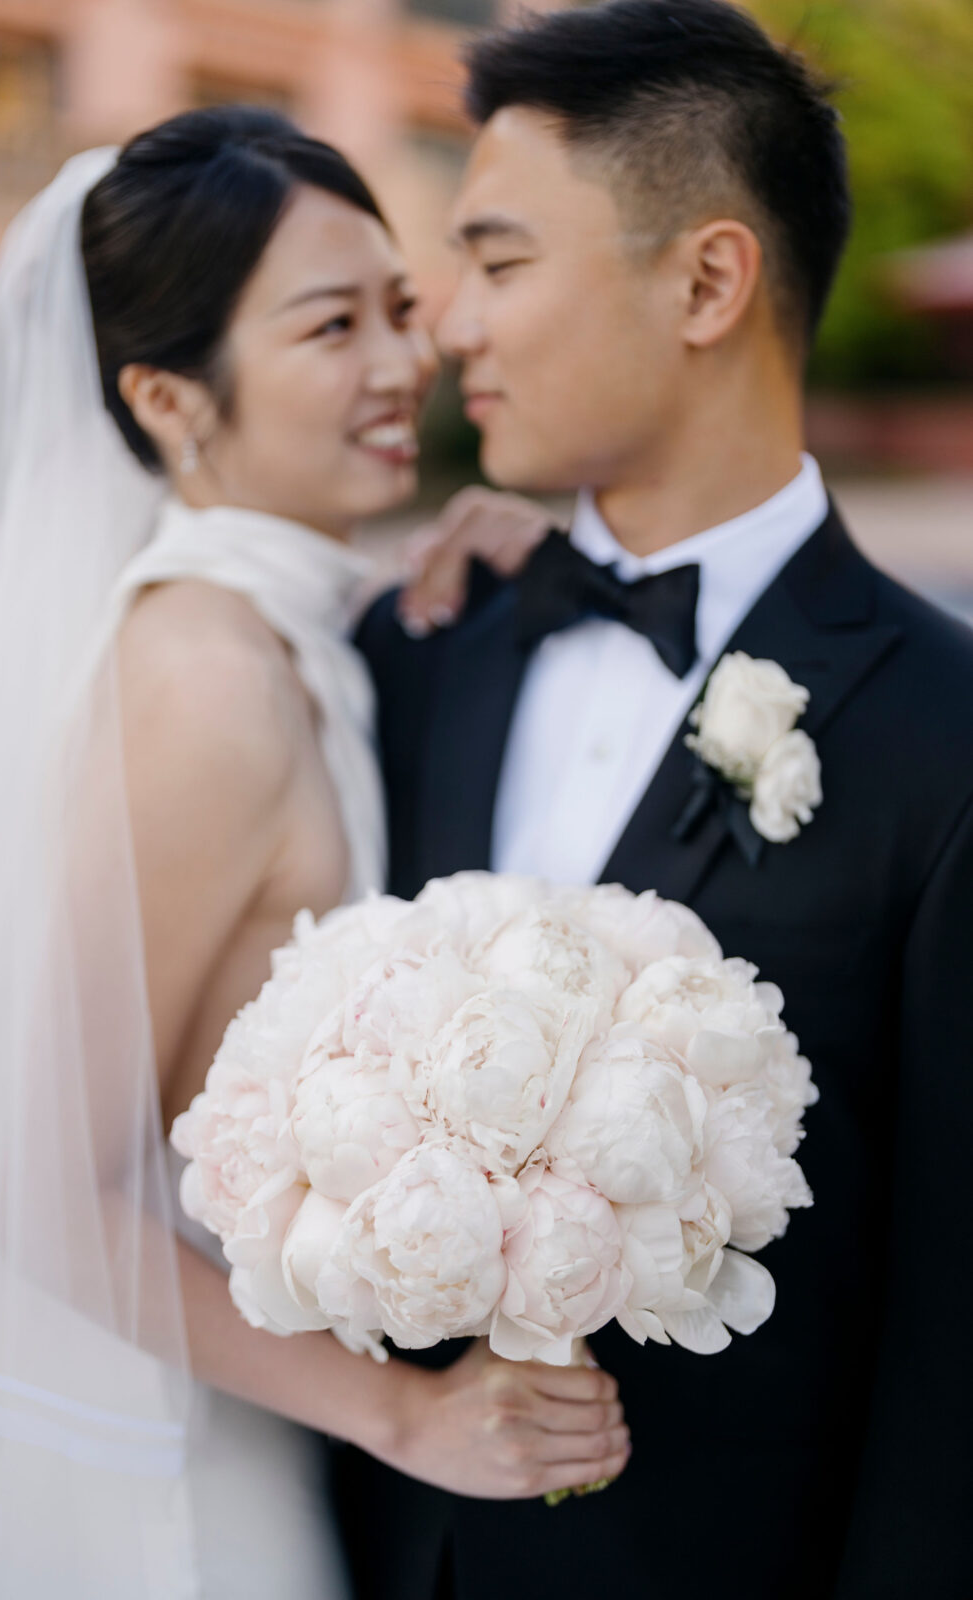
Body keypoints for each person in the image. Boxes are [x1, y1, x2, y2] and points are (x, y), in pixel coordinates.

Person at [0, 109, 628, 1599]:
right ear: (170, 398)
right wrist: (408, 1414)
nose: (399, 364)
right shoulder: (203, 687)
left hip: (231, 1397)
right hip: (151, 1455)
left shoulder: (292, 631)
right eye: (330, 327)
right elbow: (42, 1186)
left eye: (398, 310)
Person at [345, 4, 973, 1598]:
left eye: (497, 263)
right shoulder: (415, 646)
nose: (449, 331)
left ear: (706, 281)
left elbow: (953, 1337)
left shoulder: (947, 732)